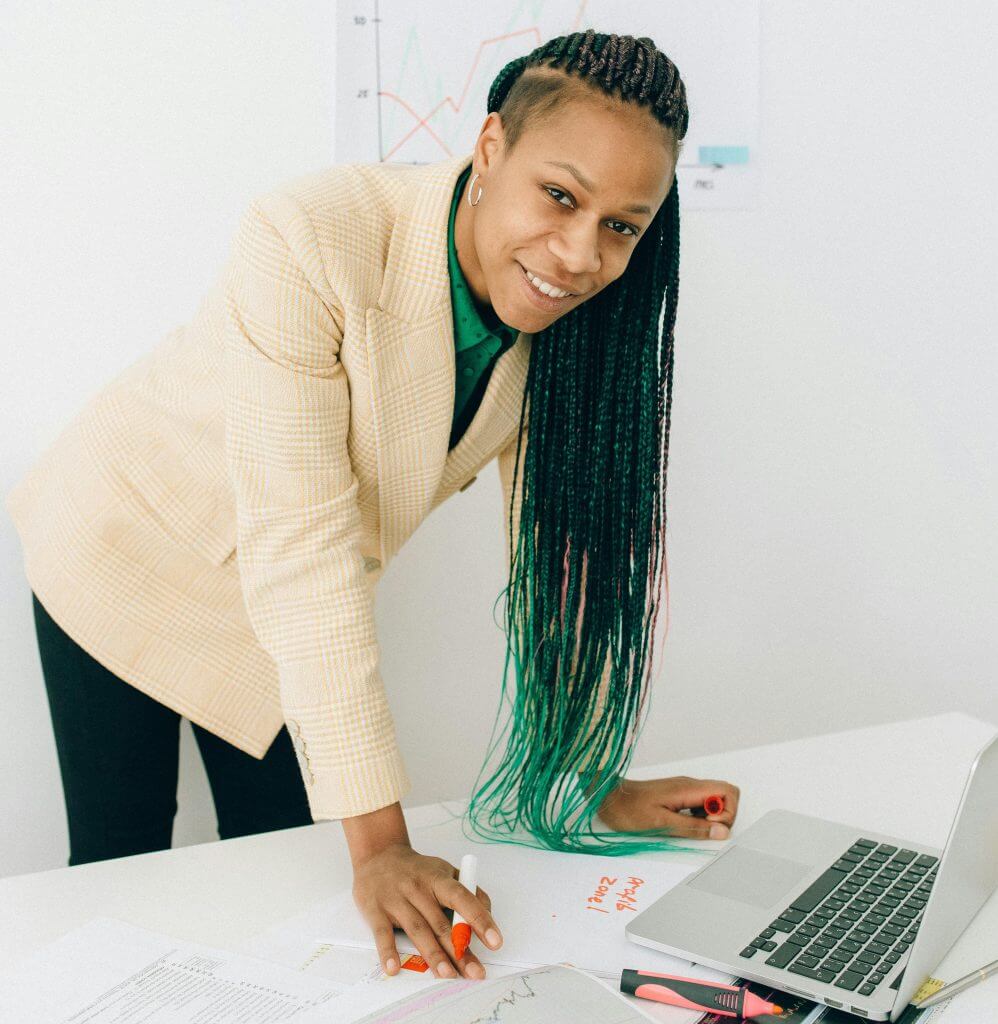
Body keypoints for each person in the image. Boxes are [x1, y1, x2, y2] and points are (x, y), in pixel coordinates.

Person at [6, 29, 740, 983]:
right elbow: (303, 544)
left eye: (622, 225)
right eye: (560, 195)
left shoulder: (572, 321)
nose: (579, 253)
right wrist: (383, 844)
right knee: (125, 864)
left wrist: (588, 781)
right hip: (128, 548)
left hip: (284, 604)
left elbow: (560, 559)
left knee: (289, 880)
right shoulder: (311, 234)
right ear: (489, 151)